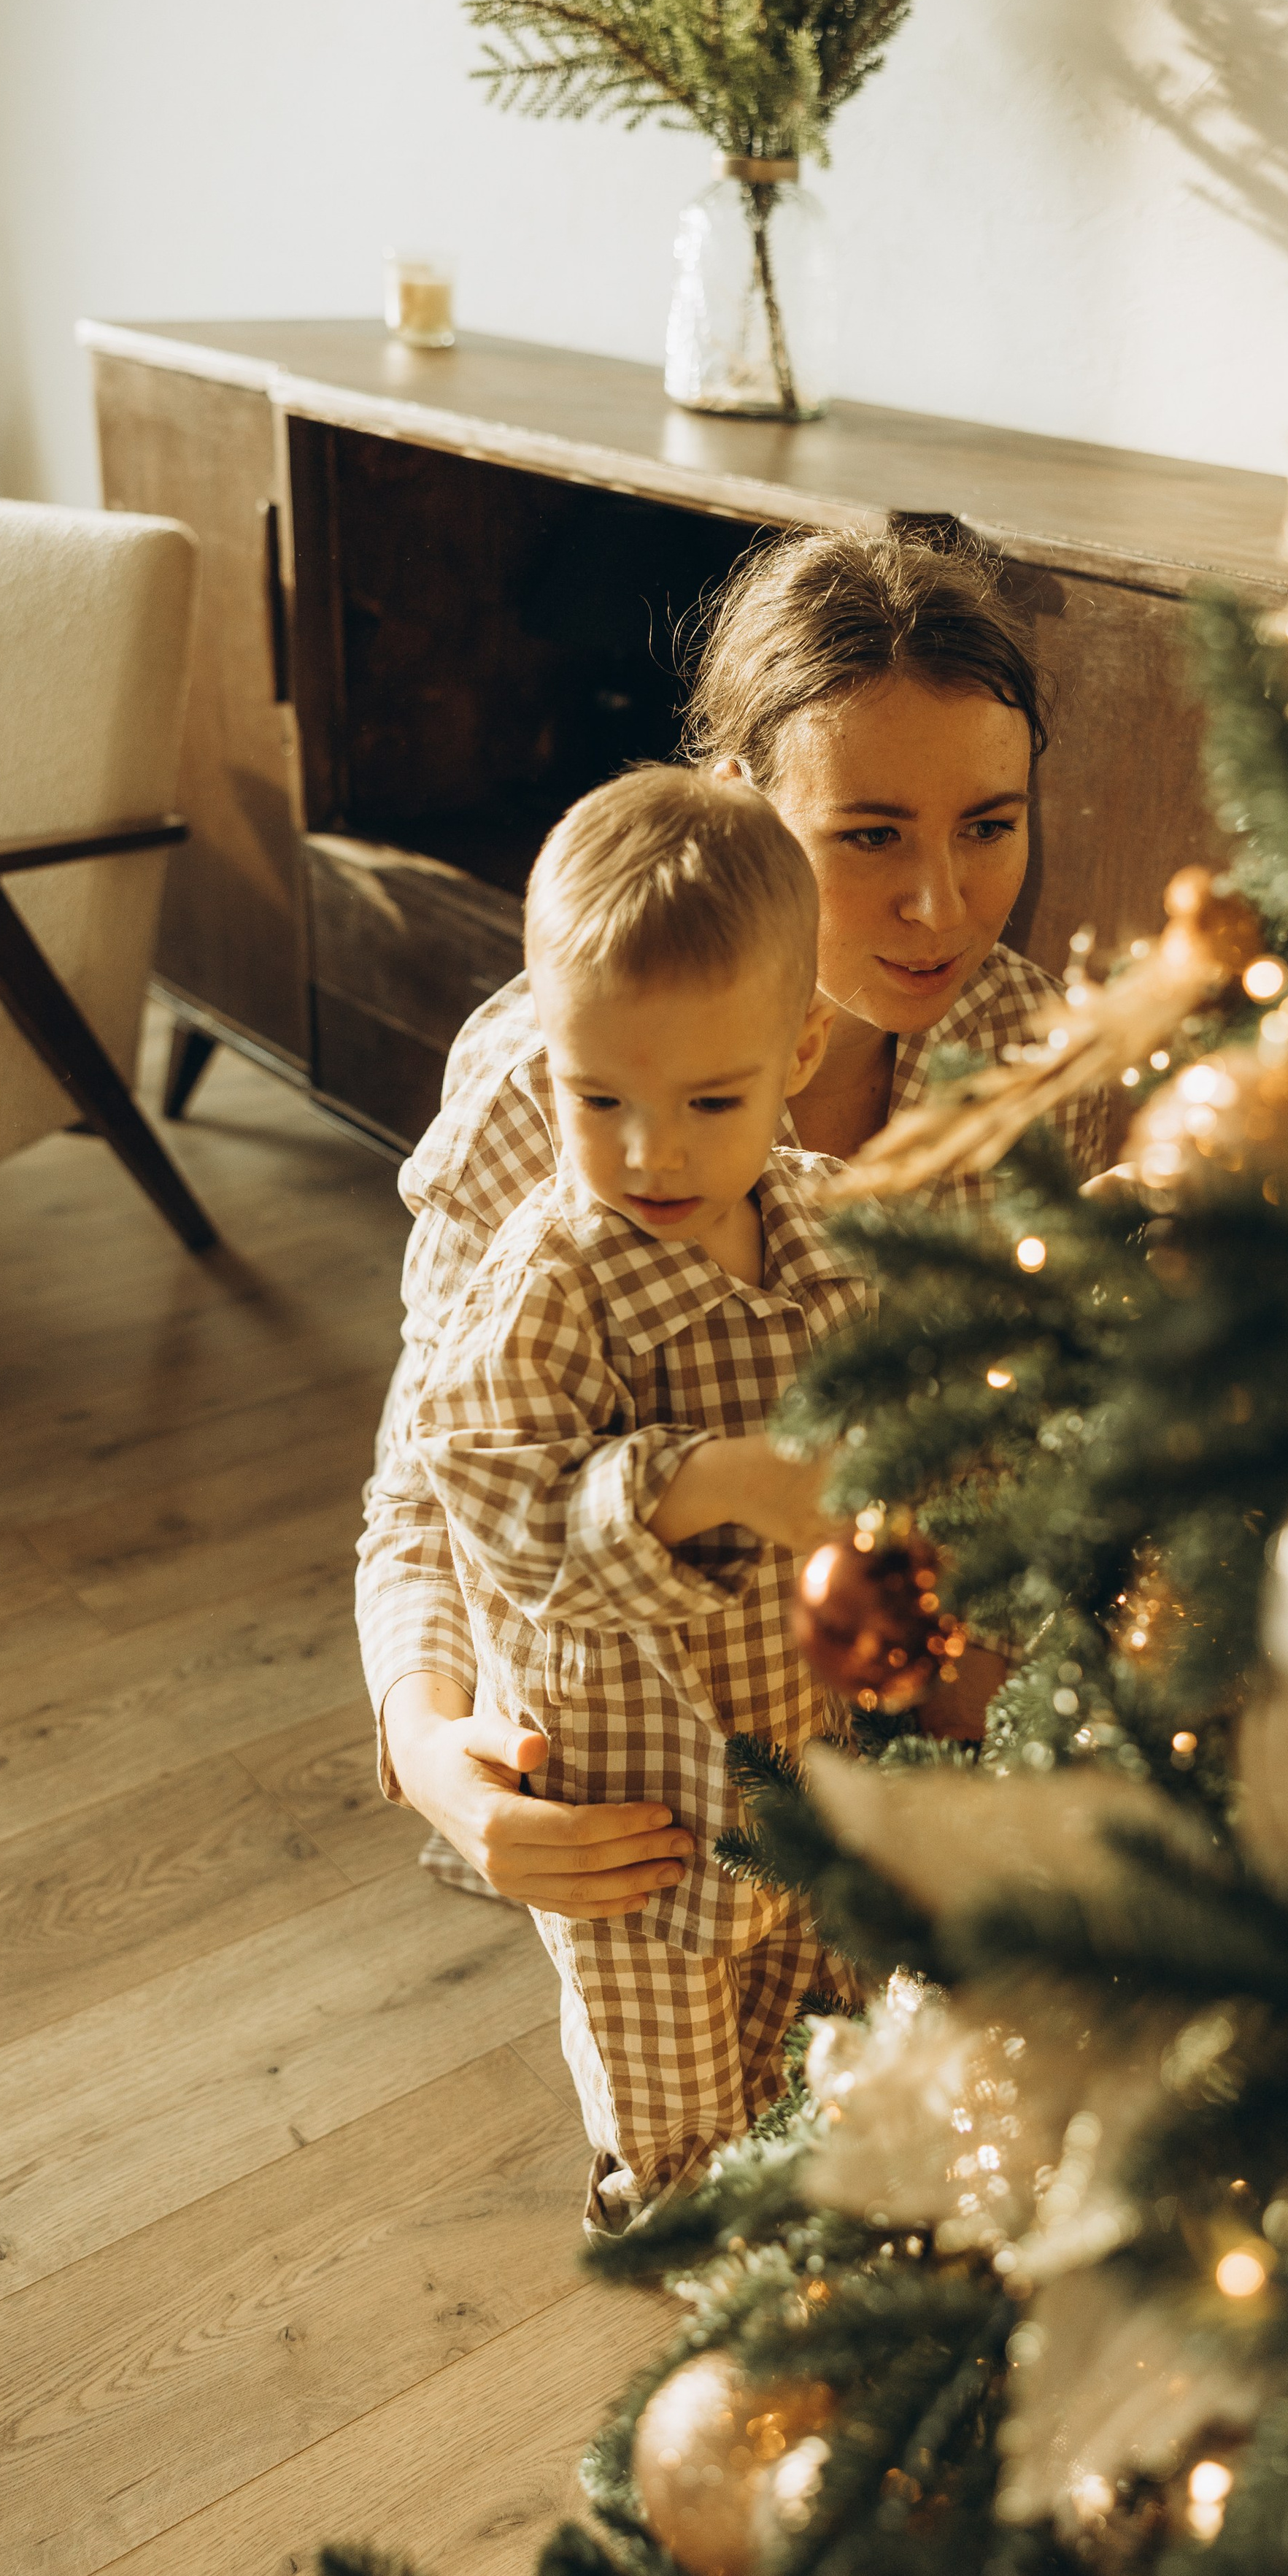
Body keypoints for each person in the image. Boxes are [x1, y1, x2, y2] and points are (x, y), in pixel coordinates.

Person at [357, 526, 1121, 1909]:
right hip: (661, 1788)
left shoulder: (1022, 1050)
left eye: (989, 827)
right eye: (869, 835)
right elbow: (427, 1477)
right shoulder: (545, 1090)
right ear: (738, 806)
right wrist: (431, 1755)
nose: (939, 903)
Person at [414, 765, 863, 2221]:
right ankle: (678, 2238)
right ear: (542, 1062)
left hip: (809, 1769)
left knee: (819, 2023)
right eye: (595, 1097)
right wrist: (699, 1481)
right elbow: (486, 1494)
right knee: (679, 2109)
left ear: (798, 1052)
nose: (649, 1149)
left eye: (706, 1100)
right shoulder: (550, 1279)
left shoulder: (818, 1228)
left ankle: (822, 2234)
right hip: (639, 1825)